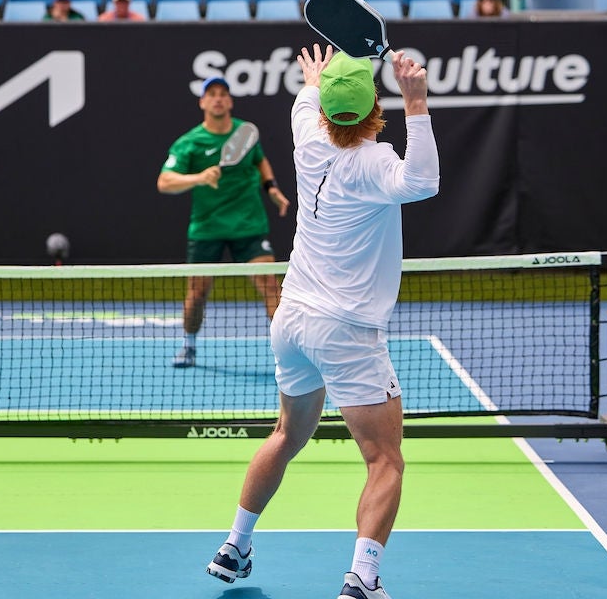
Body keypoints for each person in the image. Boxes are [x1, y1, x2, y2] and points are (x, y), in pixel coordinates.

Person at [203, 44, 439, 599]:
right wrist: (418, 101)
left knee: (286, 434)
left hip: (292, 320)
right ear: (375, 108)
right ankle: (363, 577)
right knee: (385, 460)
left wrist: (316, 78)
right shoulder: (377, 163)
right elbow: (423, 182)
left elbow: (307, 99)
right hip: (348, 331)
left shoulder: (307, 136)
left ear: (327, 108)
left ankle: (234, 545)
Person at [157, 76, 290, 368]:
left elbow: (259, 160)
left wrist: (272, 188)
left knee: (270, 285)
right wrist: (199, 177)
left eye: (223, 94)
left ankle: (288, 351)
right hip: (207, 229)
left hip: (248, 224)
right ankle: (189, 345)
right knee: (197, 292)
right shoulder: (189, 143)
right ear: (202, 102)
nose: (217, 98)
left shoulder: (245, 133)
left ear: (230, 101)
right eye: (211, 94)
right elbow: (164, 182)